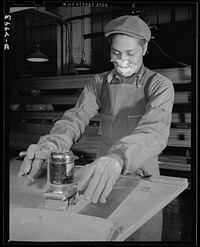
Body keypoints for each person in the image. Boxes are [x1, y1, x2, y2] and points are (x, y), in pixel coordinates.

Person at [18, 15, 175, 241]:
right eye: (116, 53)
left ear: (145, 48)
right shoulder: (99, 83)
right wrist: (52, 143)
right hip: (101, 176)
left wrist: (119, 158)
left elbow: (154, 130)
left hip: (143, 177)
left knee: (143, 234)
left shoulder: (159, 85)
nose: (122, 60)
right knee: (102, 233)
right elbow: (76, 116)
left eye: (130, 54)